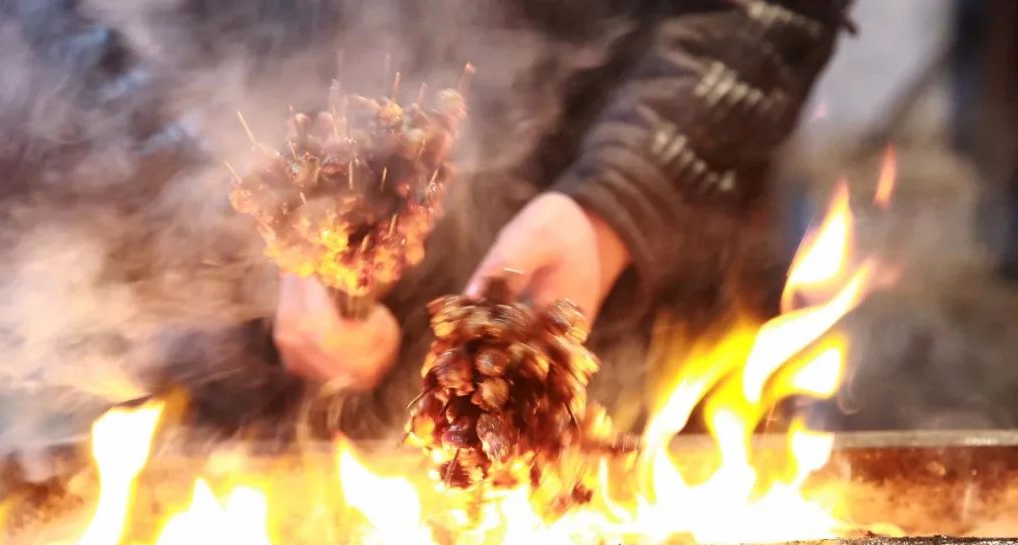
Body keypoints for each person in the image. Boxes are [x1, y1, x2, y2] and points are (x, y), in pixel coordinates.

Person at [272, 0, 856, 393]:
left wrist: (619, 201)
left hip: (650, 313)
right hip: (296, 405)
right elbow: (198, 46)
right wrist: (306, 220)